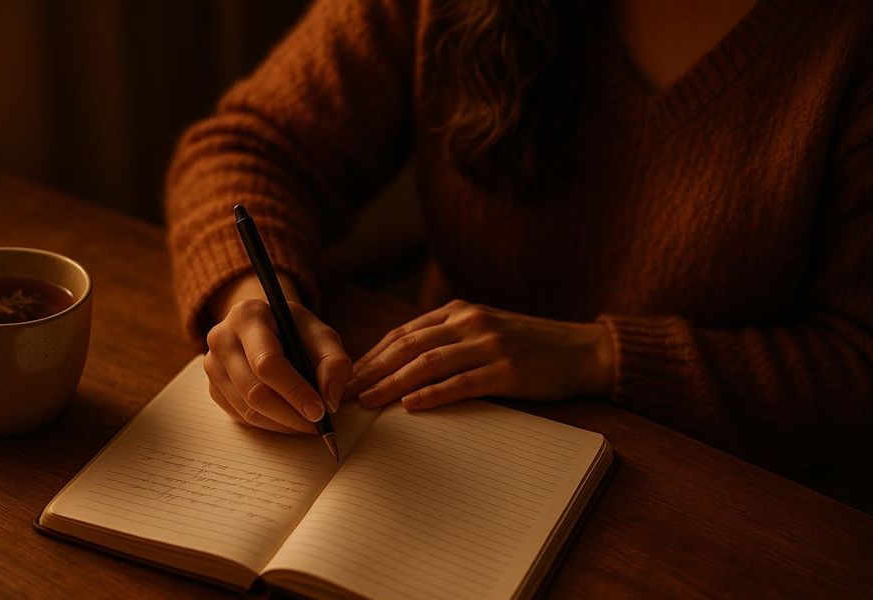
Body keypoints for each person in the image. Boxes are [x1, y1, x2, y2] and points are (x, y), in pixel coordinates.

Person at [165, 0, 873, 483]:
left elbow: (855, 368)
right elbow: (250, 147)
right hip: (441, 454)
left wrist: (600, 356)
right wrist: (257, 297)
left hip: (732, 516)